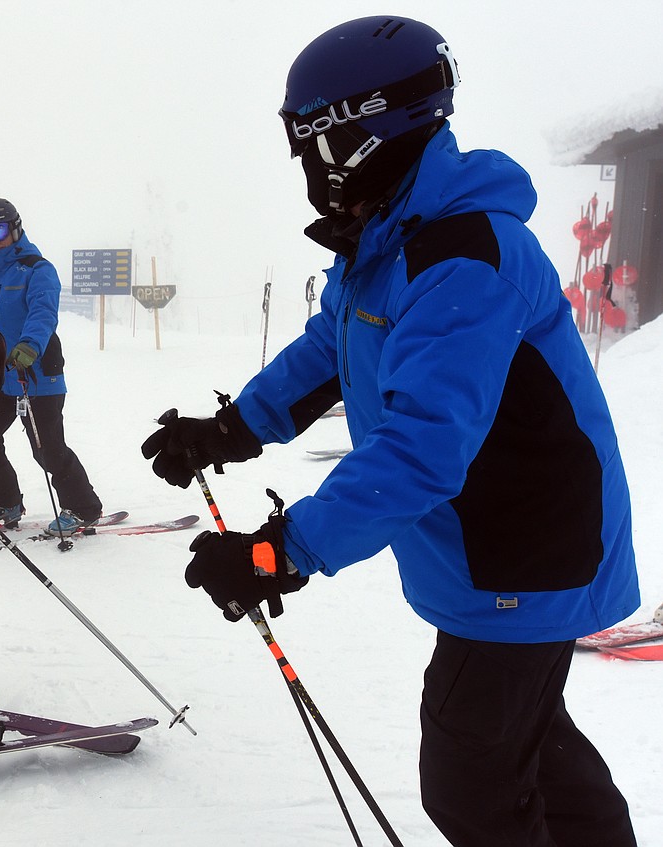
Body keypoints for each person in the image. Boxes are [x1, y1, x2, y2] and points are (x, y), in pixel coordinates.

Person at [142, 17, 639, 847]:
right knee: (527, 742)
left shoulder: (464, 258)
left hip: (525, 550)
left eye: (317, 146)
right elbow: (331, 348)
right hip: (499, 548)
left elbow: (420, 449)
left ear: (367, 135)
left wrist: (279, 551)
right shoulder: (389, 239)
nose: (308, 168)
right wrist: (230, 430)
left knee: (471, 779)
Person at [0, 198, 103, 536]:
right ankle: (4, 503)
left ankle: (84, 508)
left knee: (48, 449)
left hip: (37, 375)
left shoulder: (37, 269)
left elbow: (43, 313)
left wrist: (29, 346)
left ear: (14, 228)